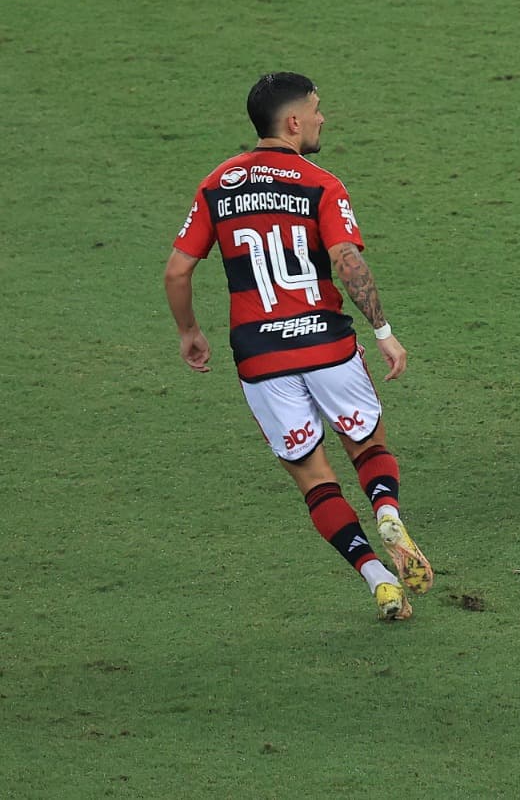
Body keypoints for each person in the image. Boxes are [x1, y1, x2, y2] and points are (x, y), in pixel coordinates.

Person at [164, 72, 433, 620]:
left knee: (314, 479)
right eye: (316, 110)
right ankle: (386, 510)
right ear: (292, 123)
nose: (321, 118)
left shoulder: (216, 185)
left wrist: (190, 331)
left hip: (260, 356)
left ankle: (378, 578)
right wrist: (383, 331)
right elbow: (347, 262)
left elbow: (177, 270)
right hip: (327, 343)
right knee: (367, 444)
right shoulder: (321, 184)